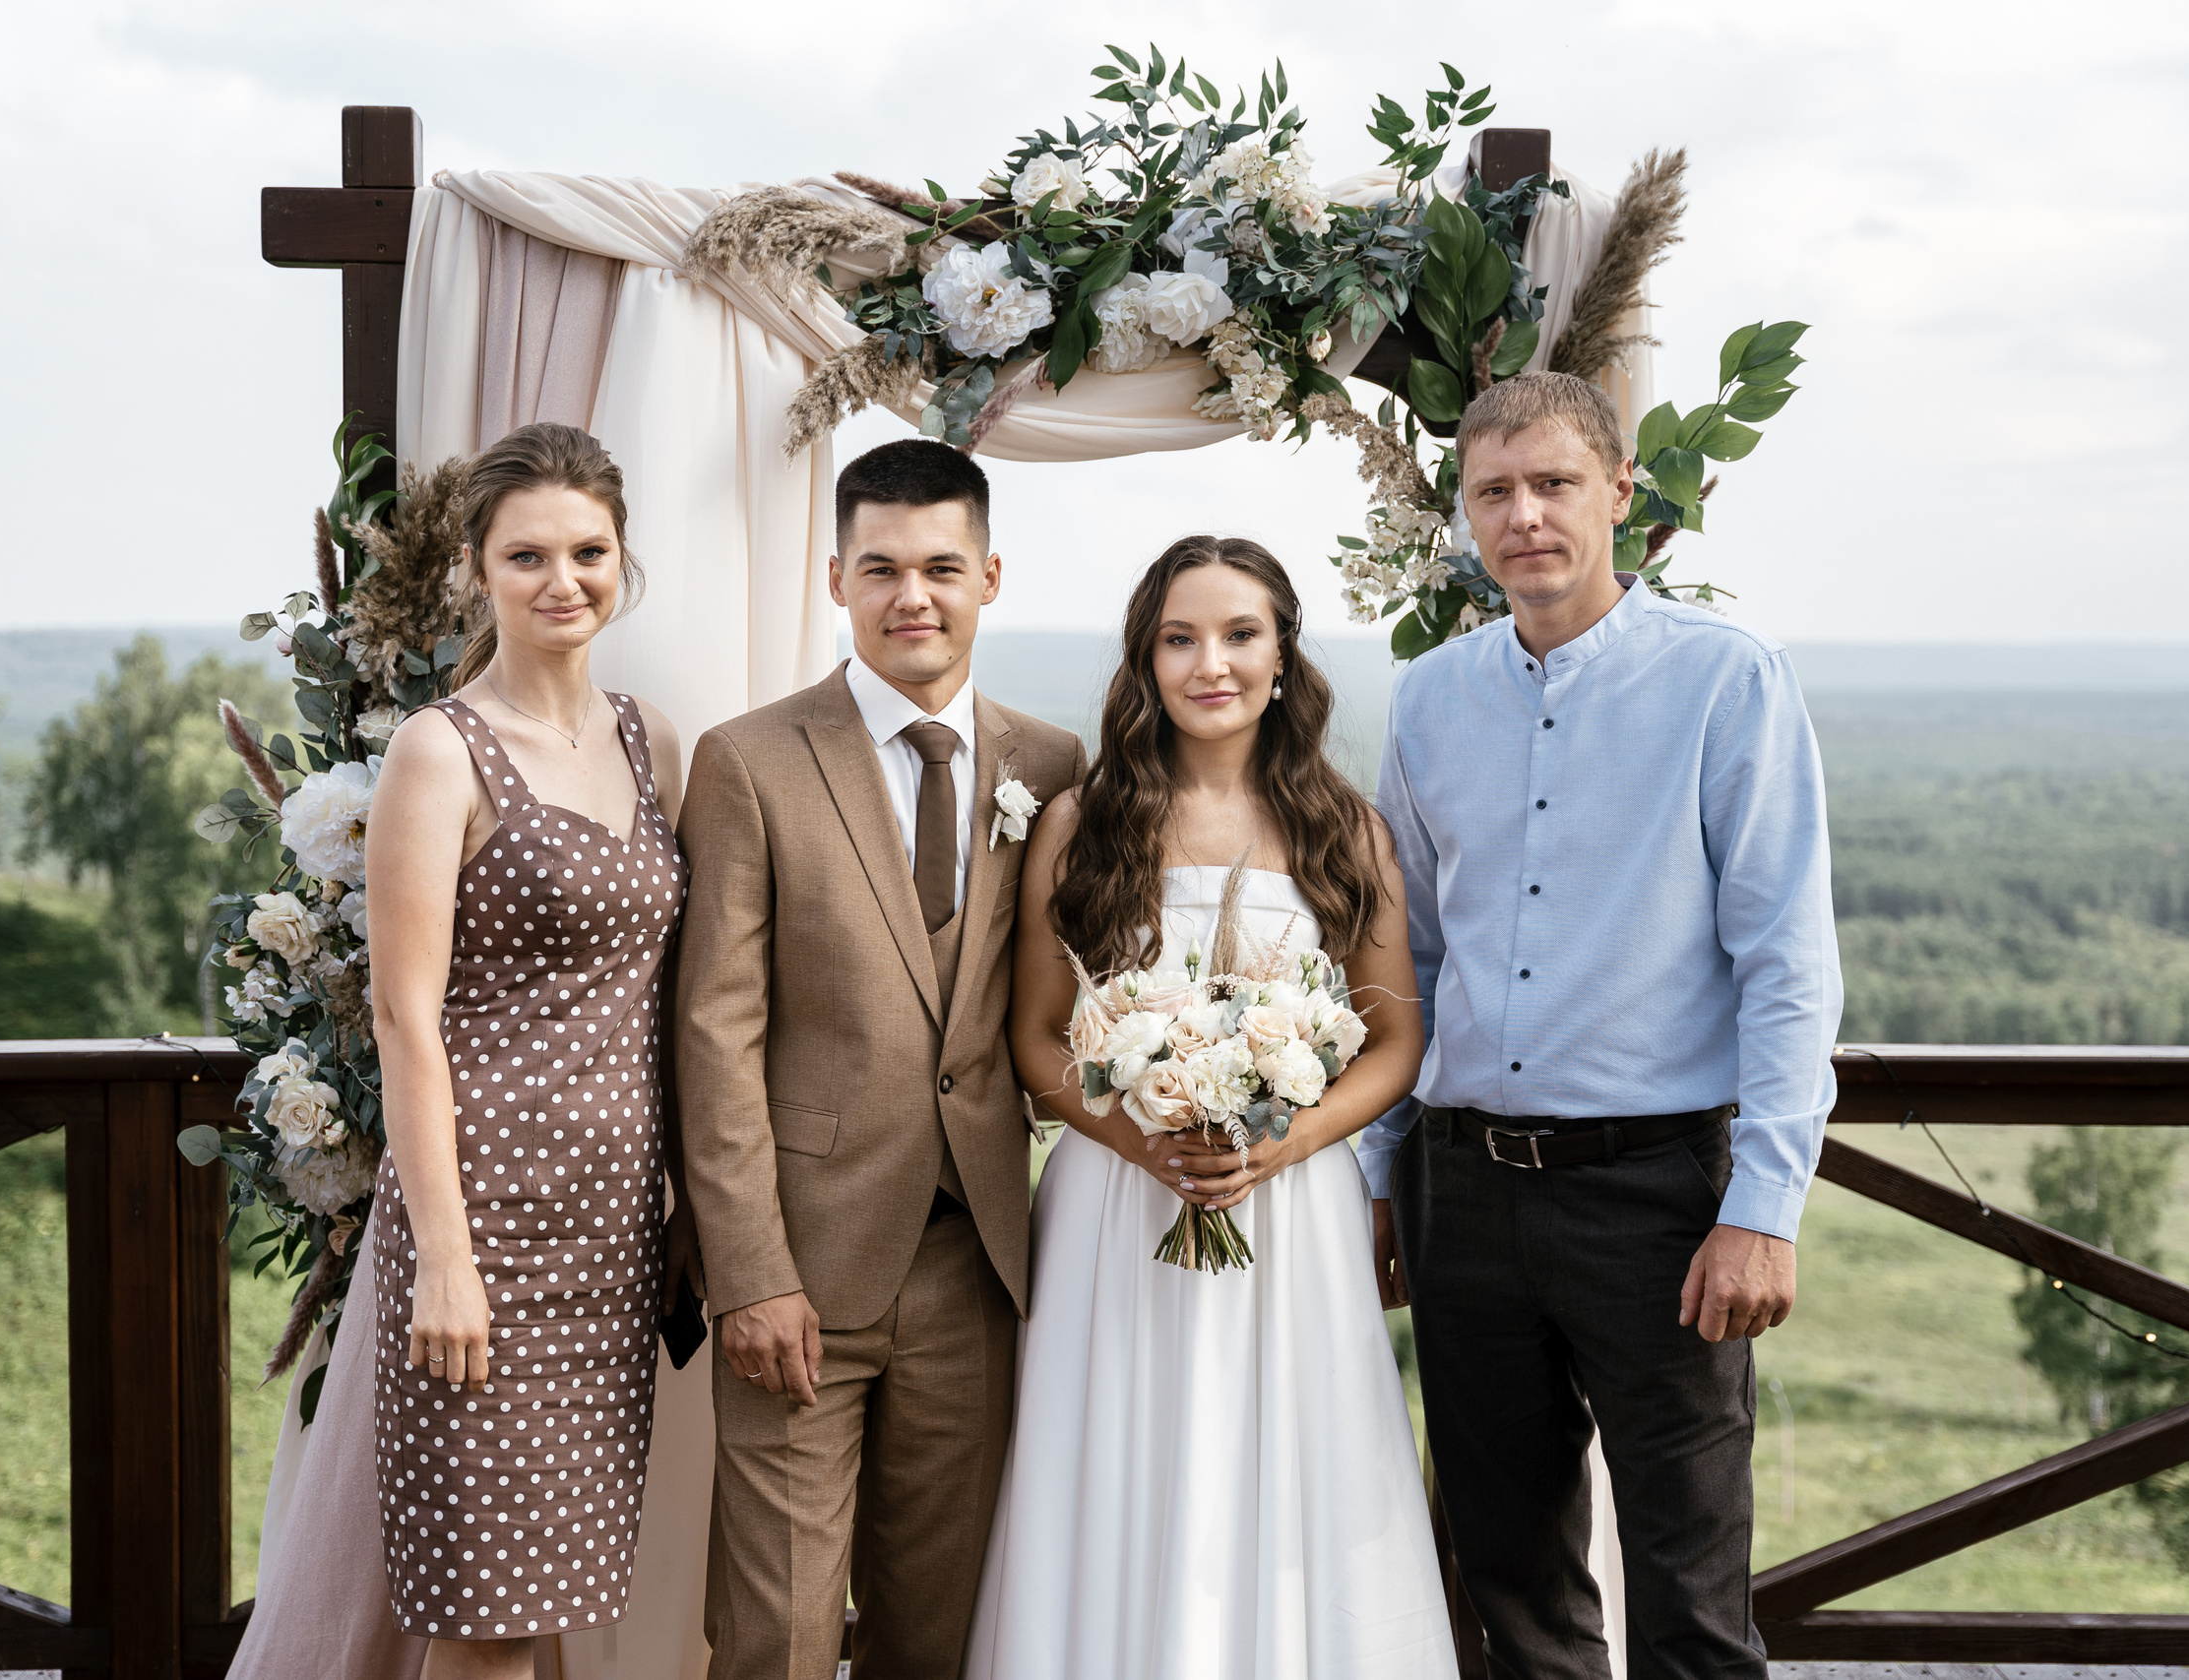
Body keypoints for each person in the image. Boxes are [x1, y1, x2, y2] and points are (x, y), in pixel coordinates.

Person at [1362, 372, 1843, 1680]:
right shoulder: (1426, 697)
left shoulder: (1726, 681)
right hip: (1461, 1193)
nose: (1524, 514)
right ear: (1463, 514)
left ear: (1620, 493)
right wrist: (1377, 1176)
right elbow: (1409, 953)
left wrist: (1764, 1205)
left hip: (1661, 1200)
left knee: (1689, 1598)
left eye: (1553, 483)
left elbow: (1789, 959)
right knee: (1510, 1590)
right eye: (1494, 490)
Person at [967, 535, 1457, 1680]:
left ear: (1283, 655)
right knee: (1115, 1464)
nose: (1211, 663)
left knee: (1289, 1463)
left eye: (1240, 635)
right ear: (1145, 658)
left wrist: (1280, 1145)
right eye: (1179, 637)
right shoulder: (1080, 824)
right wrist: (1140, 1140)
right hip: (1113, 1208)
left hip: (1291, 1211)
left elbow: (1395, 1044)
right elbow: (1037, 1038)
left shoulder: (1347, 830)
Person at [675, 439, 1086, 1680]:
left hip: (976, 1268)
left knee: (941, 1629)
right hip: (799, 1268)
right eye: (883, 569)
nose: (915, 595)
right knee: (778, 1634)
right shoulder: (749, 760)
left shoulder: (1053, 767)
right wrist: (748, 1272)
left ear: (991, 577)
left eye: (942, 568)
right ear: (837, 580)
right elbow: (714, 1032)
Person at [349, 421, 693, 1673]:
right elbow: (404, 1018)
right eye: (529, 555)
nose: (565, 581)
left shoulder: (651, 739)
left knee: (558, 1589)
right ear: (479, 572)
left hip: (609, 1236)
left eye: (589, 551)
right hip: (482, 1224)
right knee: (487, 1617)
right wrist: (442, 1257)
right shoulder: (439, 750)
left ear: (622, 559)